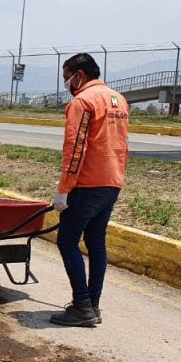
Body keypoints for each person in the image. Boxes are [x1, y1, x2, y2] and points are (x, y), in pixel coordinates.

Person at [51, 53, 130, 327]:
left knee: (67, 241)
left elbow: (75, 149)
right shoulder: (118, 99)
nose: (66, 84)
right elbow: (122, 144)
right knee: (96, 243)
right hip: (112, 181)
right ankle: (93, 305)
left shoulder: (82, 101)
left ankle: (82, 306)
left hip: (87, 183)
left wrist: (64, 189)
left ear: (80, 75)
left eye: (67, 78)